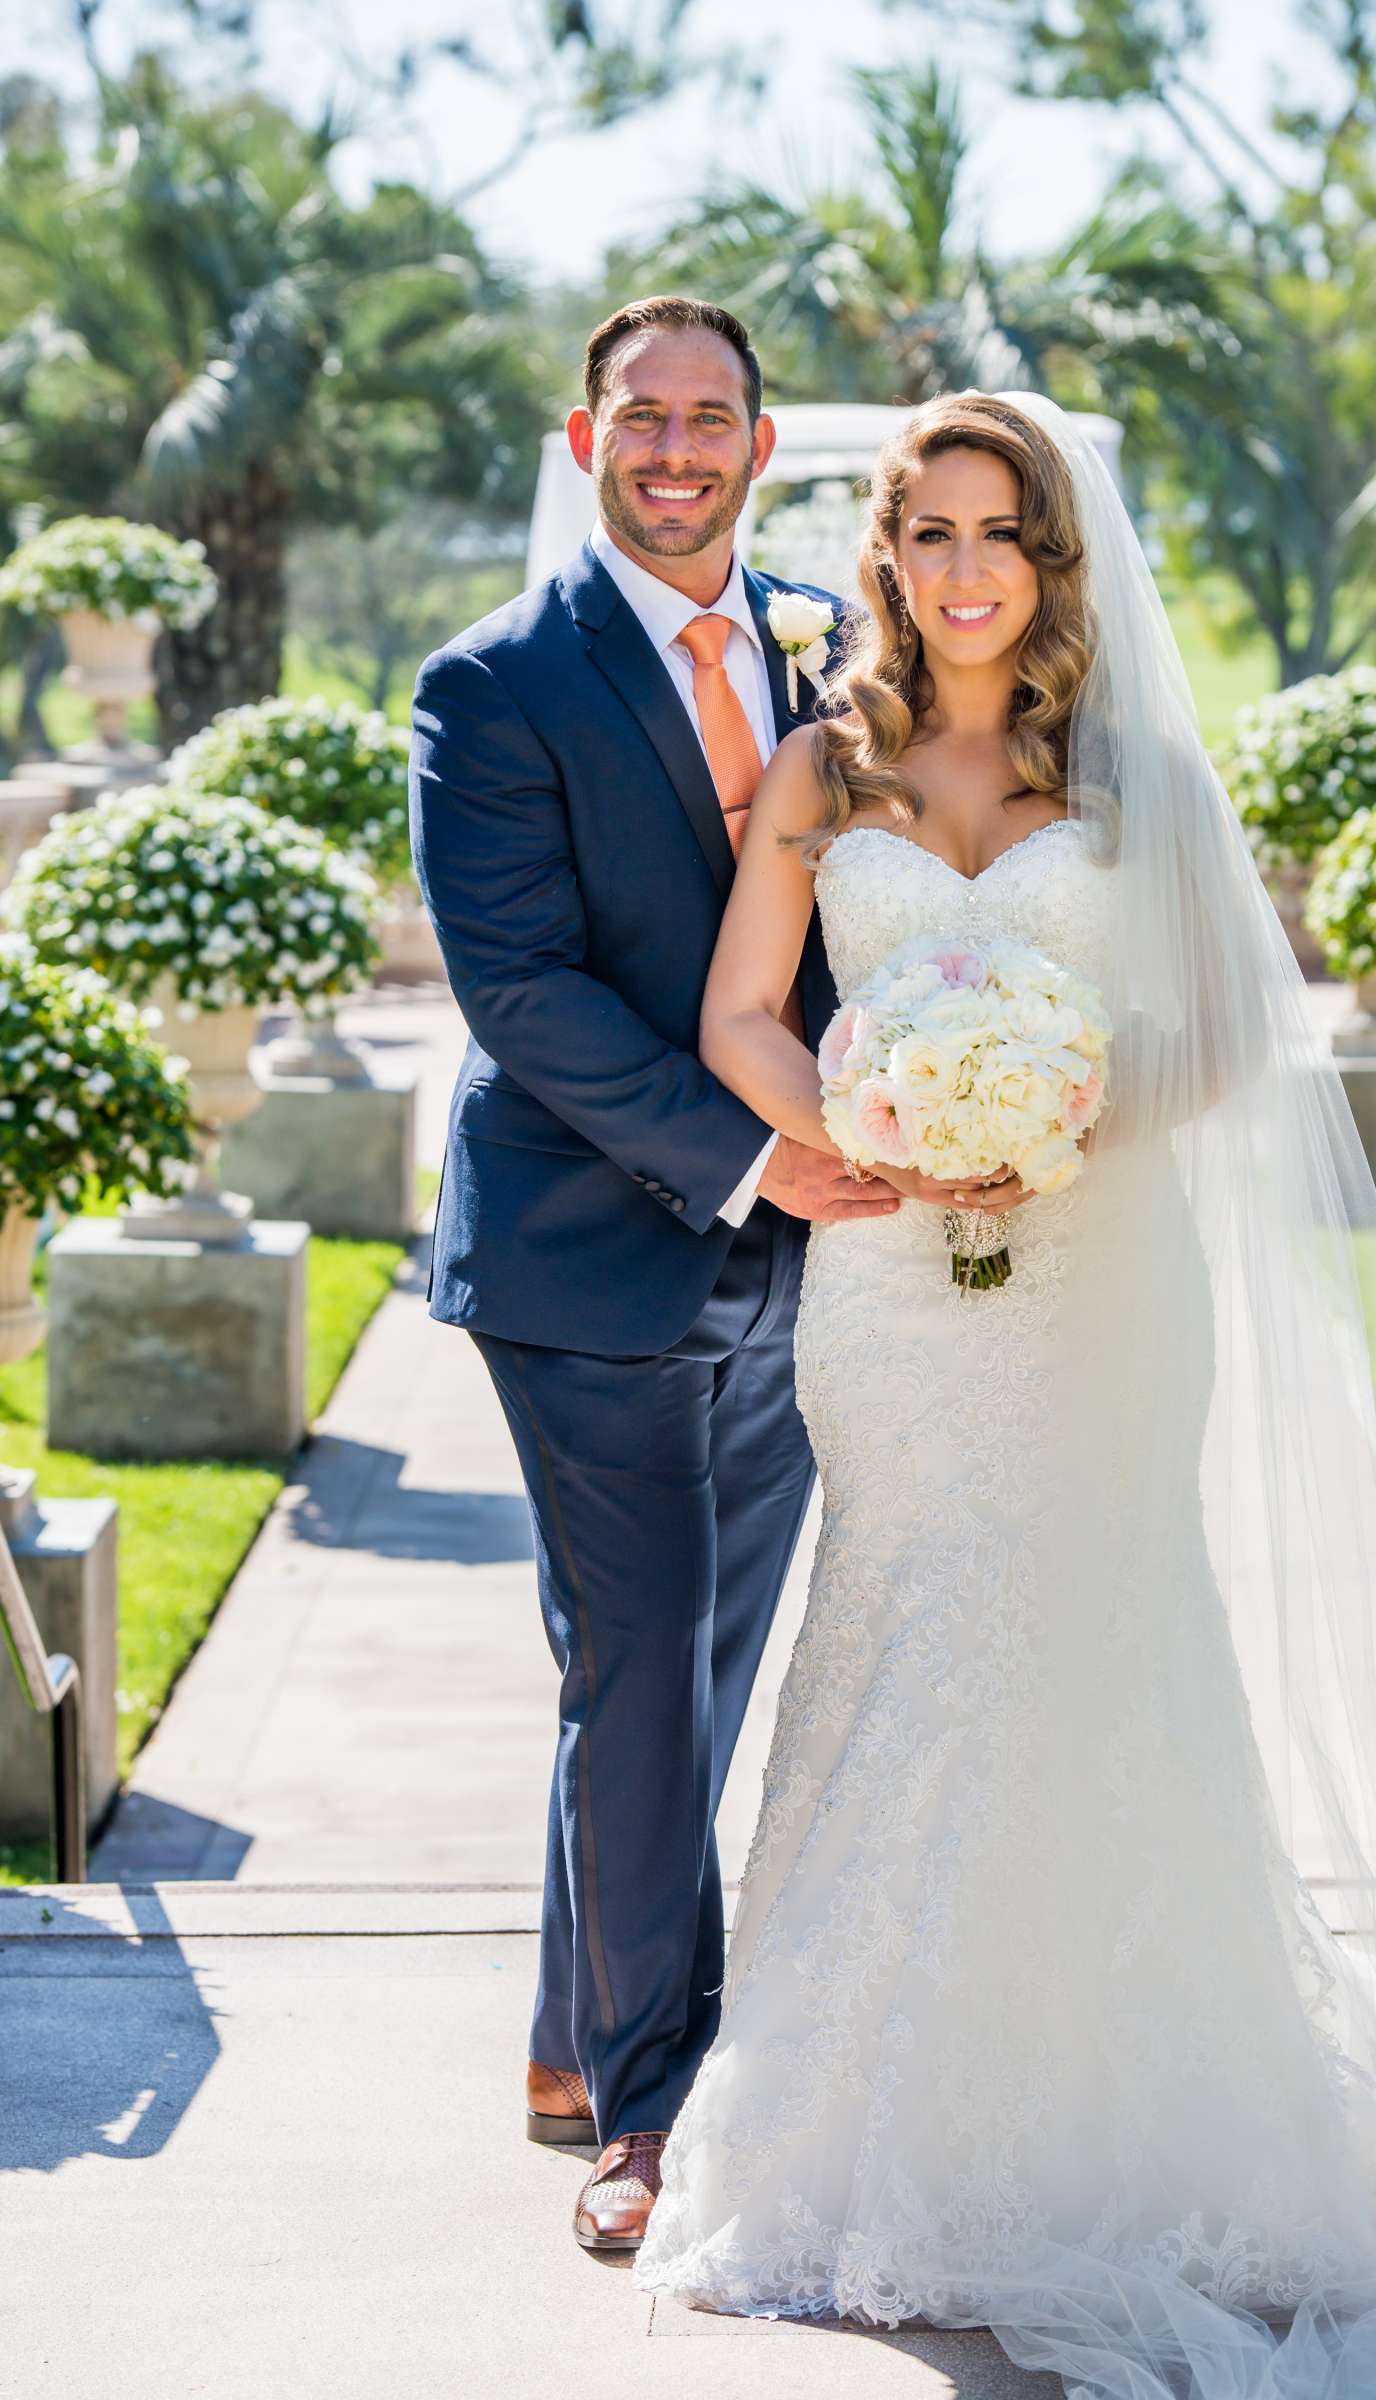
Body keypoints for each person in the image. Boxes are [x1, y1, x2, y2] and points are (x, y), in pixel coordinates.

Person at [633, 390, 1376, 2395]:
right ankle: (870, 2137)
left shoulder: (1131, 767)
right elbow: (741, 1008)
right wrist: (877, 1138)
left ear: (1052, 560)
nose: (967, 569)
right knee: (901, 1644)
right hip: (890, 1288)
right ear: (886, 552)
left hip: (1102, 1276)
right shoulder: (825, 763)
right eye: (932, 534)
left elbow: (1232, 1028)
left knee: (1105, 1644)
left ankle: (1135, 2120)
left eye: (1004, 534)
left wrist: (1051, 1134)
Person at [408, 295, 909, 2252]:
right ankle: (648, 2108)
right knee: (633, 1662)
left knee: (687, 1662)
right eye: (644, 418)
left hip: (812, 1241)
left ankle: (563, 2028)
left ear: (760, 447)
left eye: (712, 418)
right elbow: (521, 991)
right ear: (582, 438)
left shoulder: (824, 646)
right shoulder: (491, 684)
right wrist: (751, 1156)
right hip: (579, 1250)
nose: (678, 448)